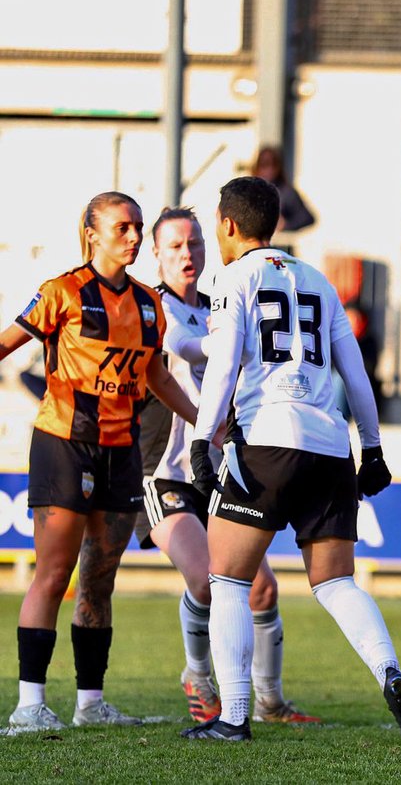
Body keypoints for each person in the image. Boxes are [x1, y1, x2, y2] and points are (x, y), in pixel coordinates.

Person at [180, 177, 401, 743]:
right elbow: (355, 374)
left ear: (226, 225)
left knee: (228, 581)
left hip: (266, 441)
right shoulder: (317, 281)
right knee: (337, 582)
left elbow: (221, 368)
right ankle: (391, 673)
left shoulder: (233, 278)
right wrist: (372, 447)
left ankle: (235, 717)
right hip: (329, 445)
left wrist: (202, 440)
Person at [1, 192, 199, 733]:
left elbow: (155, 376)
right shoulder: (61, 293)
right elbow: (6, 344)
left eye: (138, 228)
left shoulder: (147, 304)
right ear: (92, 232)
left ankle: (90, 704)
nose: (134, 237)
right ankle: (28, 706)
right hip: (64, 445)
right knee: (53, 573)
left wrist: (207, 420)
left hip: (121, 452)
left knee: (100, 579)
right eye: (123, 228)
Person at [132, 207, 318, 725]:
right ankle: (197, 674)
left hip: (219, 468)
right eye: (174, 246)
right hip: (165, 470)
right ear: (158, 254)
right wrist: (207, 423)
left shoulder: (221, 304)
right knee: (206, 580)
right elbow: (166, 371)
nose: (187, 253)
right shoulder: (152, 309)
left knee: (261, 588)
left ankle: (272, 703)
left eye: (193, 243)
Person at [251, 145, 316, 235]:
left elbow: (307, 218)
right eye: (264, 165)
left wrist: (286, 225)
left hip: (279, 244)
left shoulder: (287, 192)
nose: (269, 170)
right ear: (257, 167)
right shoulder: (250, 192)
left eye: (273, 165)